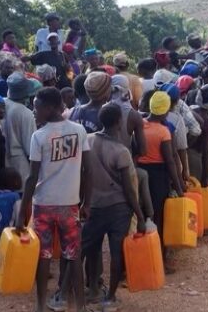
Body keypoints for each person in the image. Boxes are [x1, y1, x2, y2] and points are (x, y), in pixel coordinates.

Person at [15, 87, 91, 312]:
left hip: (44, 205)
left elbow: (32, 177)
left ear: (49, 108)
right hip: (70, 204)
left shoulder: (39, 136)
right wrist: (86, 201)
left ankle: (39, 304)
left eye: (36, 106)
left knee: (44, 255)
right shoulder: (79, 130)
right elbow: (89, 169)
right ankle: (80, 306)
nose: (34, 111)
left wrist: (21, 214)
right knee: (73, 255)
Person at [82, 104, 146, 311]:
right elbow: (129, 189)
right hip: (118, 208)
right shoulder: (121, 151)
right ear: (119, 122)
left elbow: (84, 174)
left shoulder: (88, 141)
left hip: (94, 205)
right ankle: (109, 298)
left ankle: (87, 288)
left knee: (88, 248)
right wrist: (140, 215)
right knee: (117, 253)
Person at [137, 92, 184, 271]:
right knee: (159, 217)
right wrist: (179, 188)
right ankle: (159, 260)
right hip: (158, 176)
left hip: (140, 173)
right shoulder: (163, 131)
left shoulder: (140, 125)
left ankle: (140, 257)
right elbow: (170, 161)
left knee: (142, 214)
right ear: (165, 111)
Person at [2, 72, 38, 181]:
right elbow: (31, 149)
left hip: (2, 163)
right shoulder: (25, 113)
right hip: (21, 167)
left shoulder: (0, 103)